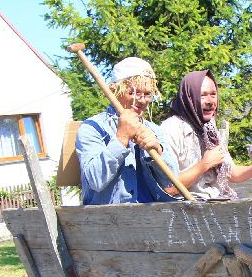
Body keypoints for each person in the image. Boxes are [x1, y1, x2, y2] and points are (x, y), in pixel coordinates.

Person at [76, 57, 181, 205]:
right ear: (114, 91)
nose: (142, 100)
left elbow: (172, 183)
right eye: (133, 93)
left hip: (153, 217)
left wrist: (157, 150)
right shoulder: (92, 128)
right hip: (109, 220)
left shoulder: (154, 130)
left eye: (147, 94)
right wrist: (121, 138)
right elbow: (95, 181)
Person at [160, 69, 252, 200]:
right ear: (189, 98)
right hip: (184, 212)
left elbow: (231, 173)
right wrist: (205, 164)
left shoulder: (210, 130)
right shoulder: (171, 129)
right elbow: (168, 187)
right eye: (203, 95)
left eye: (213, 94)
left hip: (216, 207)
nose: (210, 101)